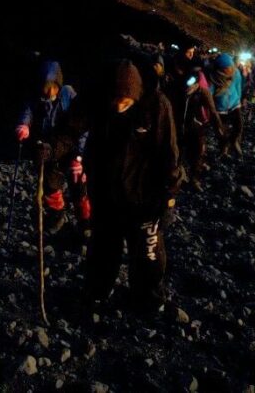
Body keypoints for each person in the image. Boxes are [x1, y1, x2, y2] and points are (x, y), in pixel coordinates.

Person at [51, 59, 182, 314]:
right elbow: (70, 131)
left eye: (126, 101)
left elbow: (169, 154)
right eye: (116, 99)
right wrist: (51, 149)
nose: (119, 105)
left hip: (145, 196)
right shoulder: (96, 99)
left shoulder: (156, 105)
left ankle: (147, 299)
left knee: (147, 251)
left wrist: (169, 198)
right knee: (102, 247)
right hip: (105, 192)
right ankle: (97, 293)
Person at [15, 60, 90, 235]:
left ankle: (86, 222)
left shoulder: (68, 94)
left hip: (70, 147)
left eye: (53, 87)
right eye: (46, 87)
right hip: (47, 149)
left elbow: (82, 126)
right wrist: (23, 125)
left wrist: (79, 155)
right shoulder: (34, 98)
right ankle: (57, 217)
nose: (50, 92)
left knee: (79, 183)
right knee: (50, 184)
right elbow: (27, 112)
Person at [166, 67, 224, 191]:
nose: (188, 89)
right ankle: (175, 180)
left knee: (197, 155)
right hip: (179, 127)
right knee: (176, 155)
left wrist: (219, 128)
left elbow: (213, 111)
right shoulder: (177, 89)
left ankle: (194, 179)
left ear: (197, 84)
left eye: (191, 86)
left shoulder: (203, 92)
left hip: (196, 128)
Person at [207, 52, 244, 157]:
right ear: (221, 68)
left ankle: (234, 141)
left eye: (231, 66)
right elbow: (210, 93)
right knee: (221, 130)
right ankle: (224, 148)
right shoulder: (214, 77)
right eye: (227, 68)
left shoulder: (236, 73)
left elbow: (238, 86)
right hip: (220, 107)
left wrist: (239, 99)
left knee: (239, 125)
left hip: (234, 104)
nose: (230, 69)